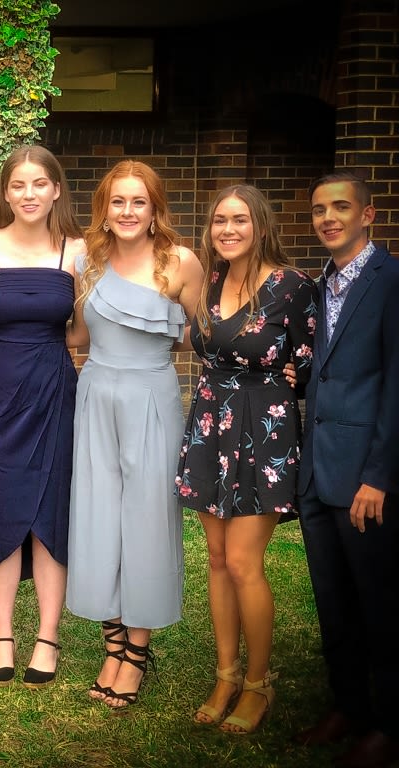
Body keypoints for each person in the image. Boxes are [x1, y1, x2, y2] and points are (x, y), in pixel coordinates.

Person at [175, 185, 317, 732]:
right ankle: (226, 674)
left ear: (260, 223)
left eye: (238, 220)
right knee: (214, 558)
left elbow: (314, 356)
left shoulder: (292, 285)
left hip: (264, 429)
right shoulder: (210, 280)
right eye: (218, 222)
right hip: (212, 421)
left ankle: (259, 684)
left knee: (241, 561)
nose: (227, 230)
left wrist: (296, 376)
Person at [66, 159, 203, 709]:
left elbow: (203, 336)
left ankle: (137, 653)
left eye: (137, 202)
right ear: (104, 208)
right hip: (96, 392)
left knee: (146, 519)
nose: (126, 211)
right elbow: (77, 334)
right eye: (117, 202)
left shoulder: (181, 263)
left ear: (154, 209)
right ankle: (112, 640)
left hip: (152, 396)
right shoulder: (86, 262)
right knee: (98, 515)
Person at [0, 145, 86, 689]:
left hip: (54, 387)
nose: (30, 194)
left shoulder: (77, 253)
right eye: (19, 185)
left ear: (56, 190)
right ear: (6, 192)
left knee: (50, 508)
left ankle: (47, 637)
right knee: (1, 505)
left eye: (40, 184)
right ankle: (3, 637)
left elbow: (81, 331)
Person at [292, 172, 399, 767]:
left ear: (369, 214)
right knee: (331, 599)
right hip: (318, 471)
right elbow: (331, 368)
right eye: (318, 210)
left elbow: (393, 383)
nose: (328, 217)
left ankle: (386, 724)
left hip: (365, 477)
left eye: (341, 207)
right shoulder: (321, 284)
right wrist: (299, 377)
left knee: (377, 601)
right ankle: (346, 705)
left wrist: (379, 475)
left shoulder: (390, 282)